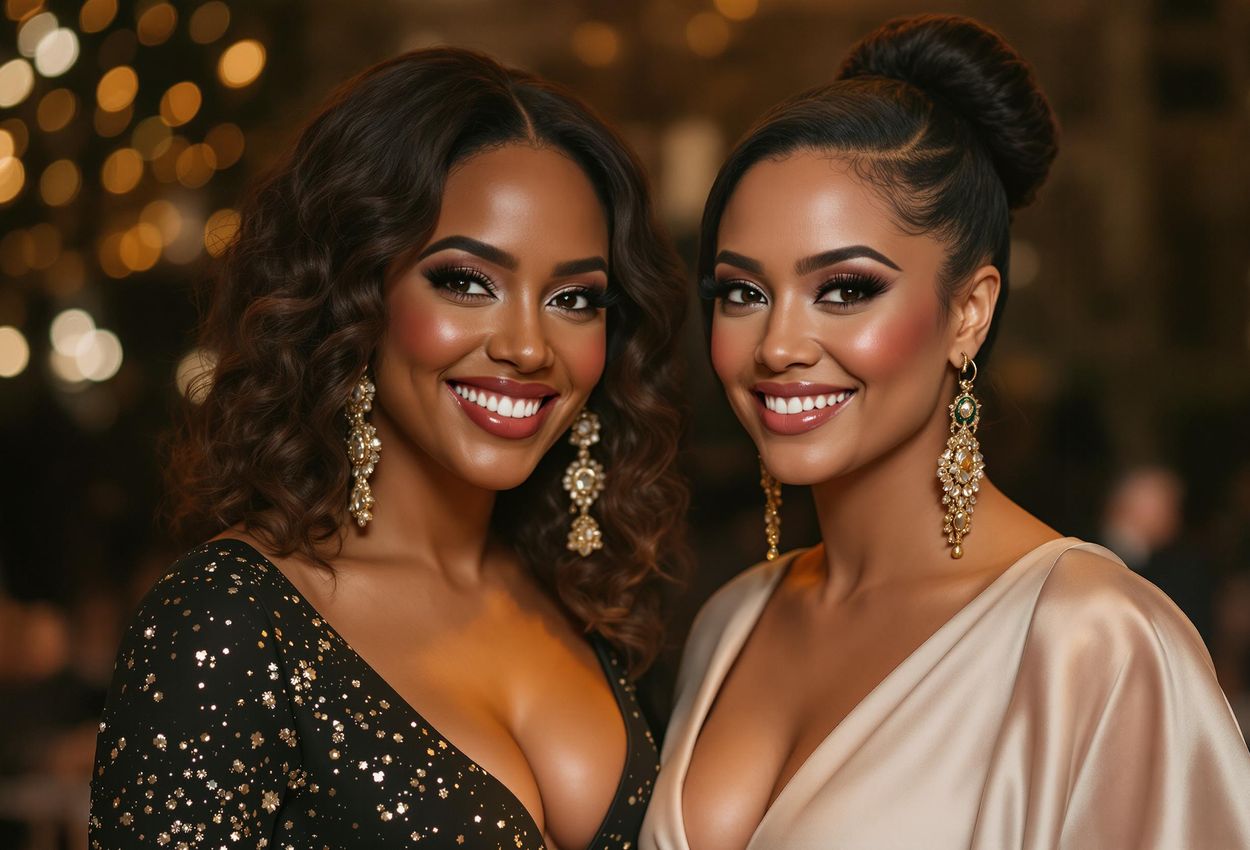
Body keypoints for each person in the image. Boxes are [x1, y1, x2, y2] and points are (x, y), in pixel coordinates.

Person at [642, 15, 1250, 850]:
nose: (777, 345)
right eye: (742, 293)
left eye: (846, 289)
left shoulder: (1092, 641)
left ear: (968, 313)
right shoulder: (731, 622)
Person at [89, 48, 688, 850]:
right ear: (356, 293)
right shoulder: (231, 620)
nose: (528, 346)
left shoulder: (590, 601)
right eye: (467, 281)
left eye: (573, 298)